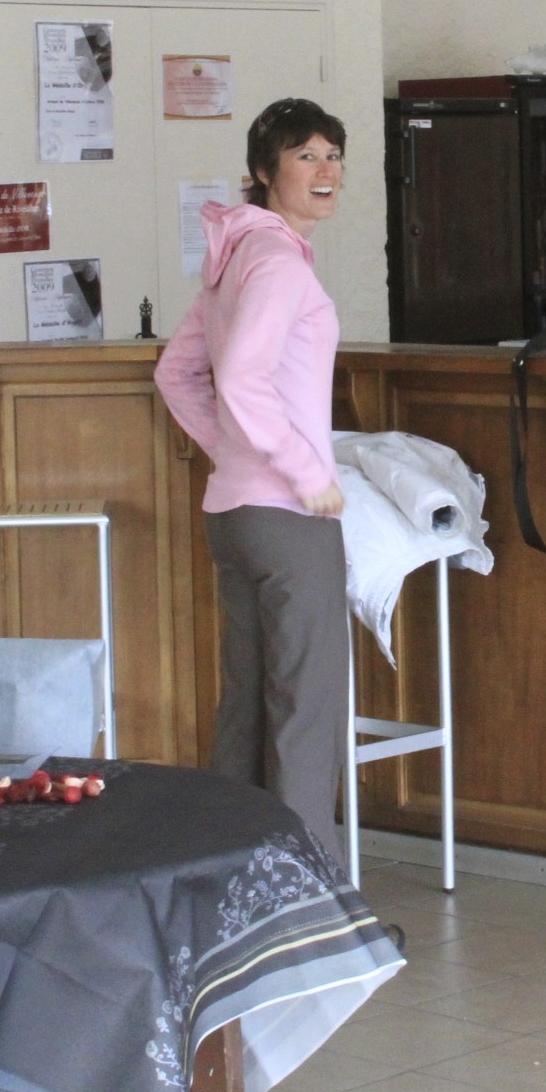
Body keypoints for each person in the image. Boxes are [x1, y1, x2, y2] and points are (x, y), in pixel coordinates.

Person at [156, 98, 354, 867]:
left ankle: (229, 876)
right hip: (286, 516)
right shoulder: (274, 261)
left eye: (333, 154)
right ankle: (309, 894)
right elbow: (239, 375)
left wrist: (231, 450)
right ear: (265, 172)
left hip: (234, 512)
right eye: (306, 156)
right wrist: (302, 471)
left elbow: (177, 373)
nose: (326, 170)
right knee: (306, 707)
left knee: (247, 702)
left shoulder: (236, 255)